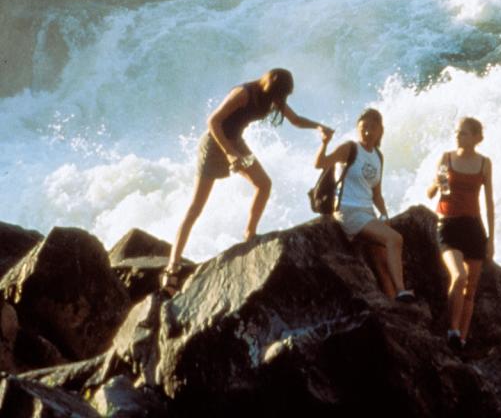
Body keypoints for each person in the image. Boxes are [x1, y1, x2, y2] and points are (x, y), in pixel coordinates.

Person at [162, 68, 334, 297]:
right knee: (196, 207)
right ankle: (172, 266)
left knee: (264, 184)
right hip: (215, 145)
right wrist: (230, 153)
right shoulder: (244, 94)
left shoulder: (273, 97)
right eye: (281, 95)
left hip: (237, 144)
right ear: (270, 86)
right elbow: (213, 121)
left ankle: (249, 234)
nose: (282, 100)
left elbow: (295, 120)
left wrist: (318, 126)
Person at [314, 108, 415, 303]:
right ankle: (402, 290)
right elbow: (320, 163)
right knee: (395, 240)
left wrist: (384, 217)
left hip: (367, 211)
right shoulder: (350, 149)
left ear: (380, 131)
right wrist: (325, 143)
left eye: (372, 128)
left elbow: (377, 194)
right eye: (363, 127)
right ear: (357, 129)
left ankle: (393, 302)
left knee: (381, 256)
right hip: (347, 211)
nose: (367, 132)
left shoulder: (378, 156)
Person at [426, 117, 494, 349]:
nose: (458, 136)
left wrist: (491, 239)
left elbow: (489, 203)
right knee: (459, 277)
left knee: (471, 289)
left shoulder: (484, 163)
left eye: (464, 133)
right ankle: (453, 331)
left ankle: (461, 341)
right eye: (457, 132)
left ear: (476, 138)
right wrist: (437, 182)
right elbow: (432, 193)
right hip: (448, 225)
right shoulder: (446, 158)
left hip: (474, 228)